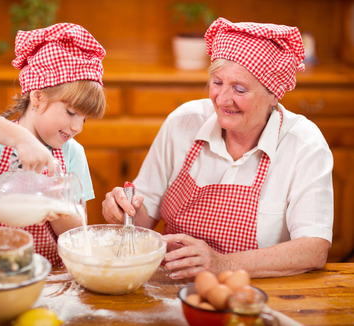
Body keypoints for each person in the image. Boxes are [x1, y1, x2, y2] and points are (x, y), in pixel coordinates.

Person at [102, 17, 333, 279]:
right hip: (171, 285)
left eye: (240, 89)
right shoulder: (184, 123)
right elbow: (144, 219)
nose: (222, 99)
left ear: (274, 94)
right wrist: (125, 210)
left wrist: (223, 263)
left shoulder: (304, 145)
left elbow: (314, 249)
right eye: (217, 82)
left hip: (256, 294)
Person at [0, 23, 106, 266]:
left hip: (48, 278)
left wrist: (56, 206)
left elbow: (78, 233)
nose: (77, 127)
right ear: (38, 97)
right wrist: (20, 138)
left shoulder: (73, 153)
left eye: (84, 119)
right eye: (71, 113)